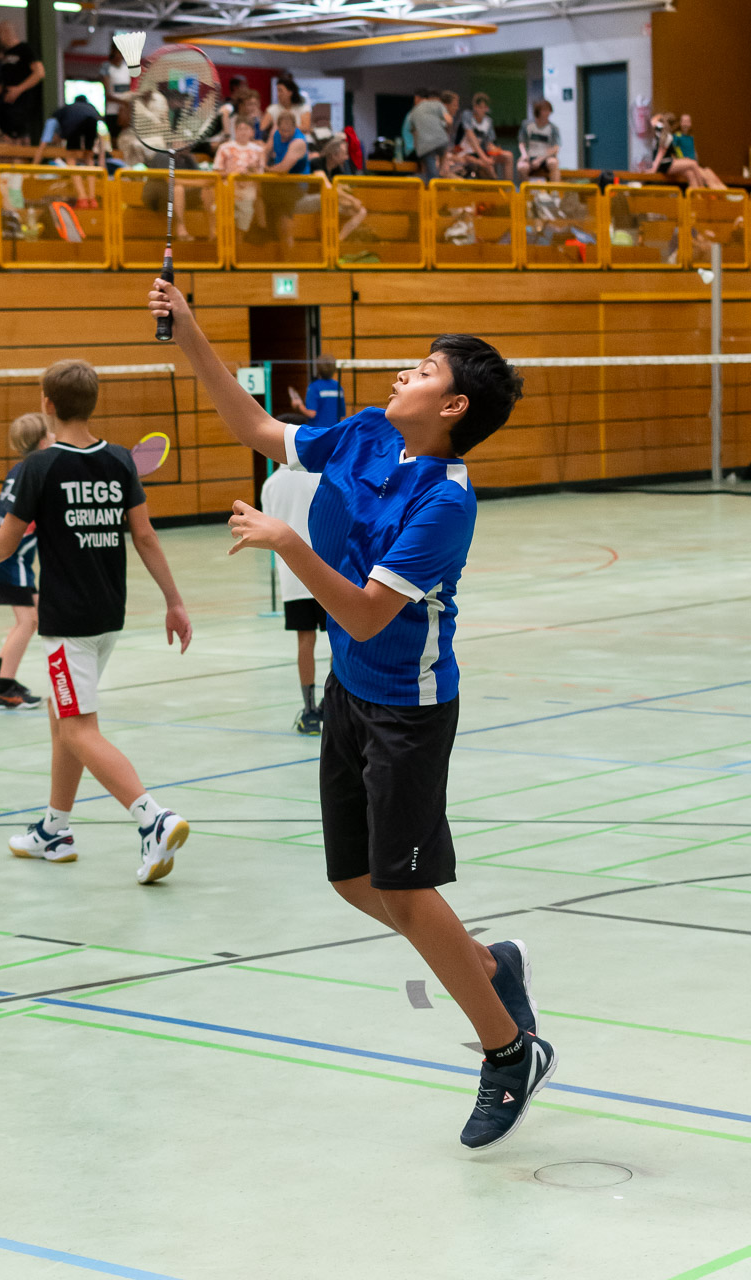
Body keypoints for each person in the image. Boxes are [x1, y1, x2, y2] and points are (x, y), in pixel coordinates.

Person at [148, 278, 556, 1151]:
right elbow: (258, 429)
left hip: (408, 707)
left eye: (422, 371)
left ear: (450, 406)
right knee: (353, 880)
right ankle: (487, 965)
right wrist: (188, 332)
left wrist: (288, 543)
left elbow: (369, 614)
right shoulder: (366, 432)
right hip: (351, 692)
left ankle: (507, 1051)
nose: (402, 375)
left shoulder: (444, 502)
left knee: (404, 888)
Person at [0, 359, 193, 884]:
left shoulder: (38, 467)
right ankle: (53, 830)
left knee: (78, 729)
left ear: (47, 403)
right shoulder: (120, 460)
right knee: (62, 718)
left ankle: (152, 819)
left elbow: (6, 542)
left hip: (68, 622)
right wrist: (174, 601)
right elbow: (145, 537)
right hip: (108, 615)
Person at [0, 413, 55, 710]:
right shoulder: (39, 474)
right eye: (51, 433)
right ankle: (3, 690)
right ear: (43, 442)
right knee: (29, 621)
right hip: (9, 560)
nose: (56, 437)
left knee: (31, 618)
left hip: (5, 557)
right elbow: (31, 521)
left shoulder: (18, 470)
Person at [261, 417, 327, 735]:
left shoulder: (270, 485)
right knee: (340, 638)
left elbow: (268, 532)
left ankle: (310, 711)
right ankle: (335, 703)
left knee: (305, 640)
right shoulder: (321, 475)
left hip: (292, 576)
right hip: (326, 571)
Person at [213, 117, 266, 242]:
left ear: (252, 132)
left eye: (246, 129)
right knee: (220, 213)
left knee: (246, 214)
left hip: (248, 190)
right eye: (240, 129)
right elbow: (217, 170)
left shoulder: (259, 150)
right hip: (227, 189)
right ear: (235, 131)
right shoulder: (224, 148)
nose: (243, 132)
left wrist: (251, 172)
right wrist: (233, 174)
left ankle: (239, 241)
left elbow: (261, 173)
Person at [264, 111, 310, 254]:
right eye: (282, 130)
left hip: (296, 184)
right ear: (278, 127)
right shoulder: (276, 134)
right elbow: (265, 151)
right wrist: (261, 164)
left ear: (295, 127)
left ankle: (289, 253)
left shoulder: (298, 142)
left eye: (288, 131)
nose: (284, 134)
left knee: (282, 212)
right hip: (278, 182)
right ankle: (263, 230)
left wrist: (264, 169)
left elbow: (284, 168)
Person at [0, 21, 45, 143]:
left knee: (22, 136)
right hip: (7, 104)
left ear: (7, 32)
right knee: (8, 136)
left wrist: (19, 89)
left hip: (23, 104)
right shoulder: (6, 54)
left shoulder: (25, 49)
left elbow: (39, 73)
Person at [308, 136, 367, 241]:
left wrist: (351, 202)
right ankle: (327, 240)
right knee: (329, 202)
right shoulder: (317, 163)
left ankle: (338, 240)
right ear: (334, 155)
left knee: (361, 211)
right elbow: (328, 188)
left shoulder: (337, 169)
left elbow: (342, 189)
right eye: (344, 154)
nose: (347, 158)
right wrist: (352, 200)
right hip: (312, 200)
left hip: (330, 201)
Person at [650, 112, 723, 188]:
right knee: (696, 167)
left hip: (673, 162)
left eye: (687, 121)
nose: (685, 124)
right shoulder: (673, 136)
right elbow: (664, 154)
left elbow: (694, 153)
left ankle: (699, 192)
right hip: (668, 164)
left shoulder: (689, 137)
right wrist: (654, 168)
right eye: (684, 121)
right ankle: (702, 188)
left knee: (700, 172)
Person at [460, 93, 513, 182]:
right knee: (488, 167)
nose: (482, 110)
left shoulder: (488, 121)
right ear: (475, 107)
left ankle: (508, 187)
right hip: (467, 152)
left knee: (508, 156)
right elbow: (472, 139)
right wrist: (485, 158)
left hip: (482, 153)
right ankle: (496, 185)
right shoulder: (467, 115)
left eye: (485, 107)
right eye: (480, 107)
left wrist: (494, 152)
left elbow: (489, 143)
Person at [288, 353, 346, 428]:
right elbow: (342, 416)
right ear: (334, 369)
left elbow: (312, 414)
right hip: (333, 431)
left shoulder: (314, 387)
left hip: (318, 431)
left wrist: (299, 406)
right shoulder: (338, 387)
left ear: (318, 369)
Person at [410, 89, 454, 185]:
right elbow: (449, 120)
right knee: (440, 169)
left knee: (431, 175)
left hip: (425, 146)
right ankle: (441, 174)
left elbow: (414, 133)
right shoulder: (438, 105)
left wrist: (418, 148)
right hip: (442, 141)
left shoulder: (413, 111)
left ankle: (434, 180)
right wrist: (447, 131)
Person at [517, 100, 561, 181]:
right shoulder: (527, 125)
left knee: (553, 163)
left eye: (549, 110)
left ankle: (555, 188)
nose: (547, 113)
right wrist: (524, 154)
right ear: (538, 111)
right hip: (530, 156)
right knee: (521, 167)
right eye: (544, 110)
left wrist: (540, 160)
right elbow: (522, 142)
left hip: (545, 157)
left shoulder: (553, 128)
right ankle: (526, 188)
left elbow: (555, 148)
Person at [99, 45, 131, 144]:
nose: (118, 56)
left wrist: (126, 106)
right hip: (112, 111)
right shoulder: (107, 67)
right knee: (114, 140)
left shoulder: (127, 68)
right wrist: (123, 102)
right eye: (117, 53)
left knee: (126, 140)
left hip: (126, 111)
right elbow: (107, 95)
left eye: (121, 53)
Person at [401, 89, 428, 161]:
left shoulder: (414, 113)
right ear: (417, 99)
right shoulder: (415, 114)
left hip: (415, 151)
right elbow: (418, 134)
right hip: (413, 151)